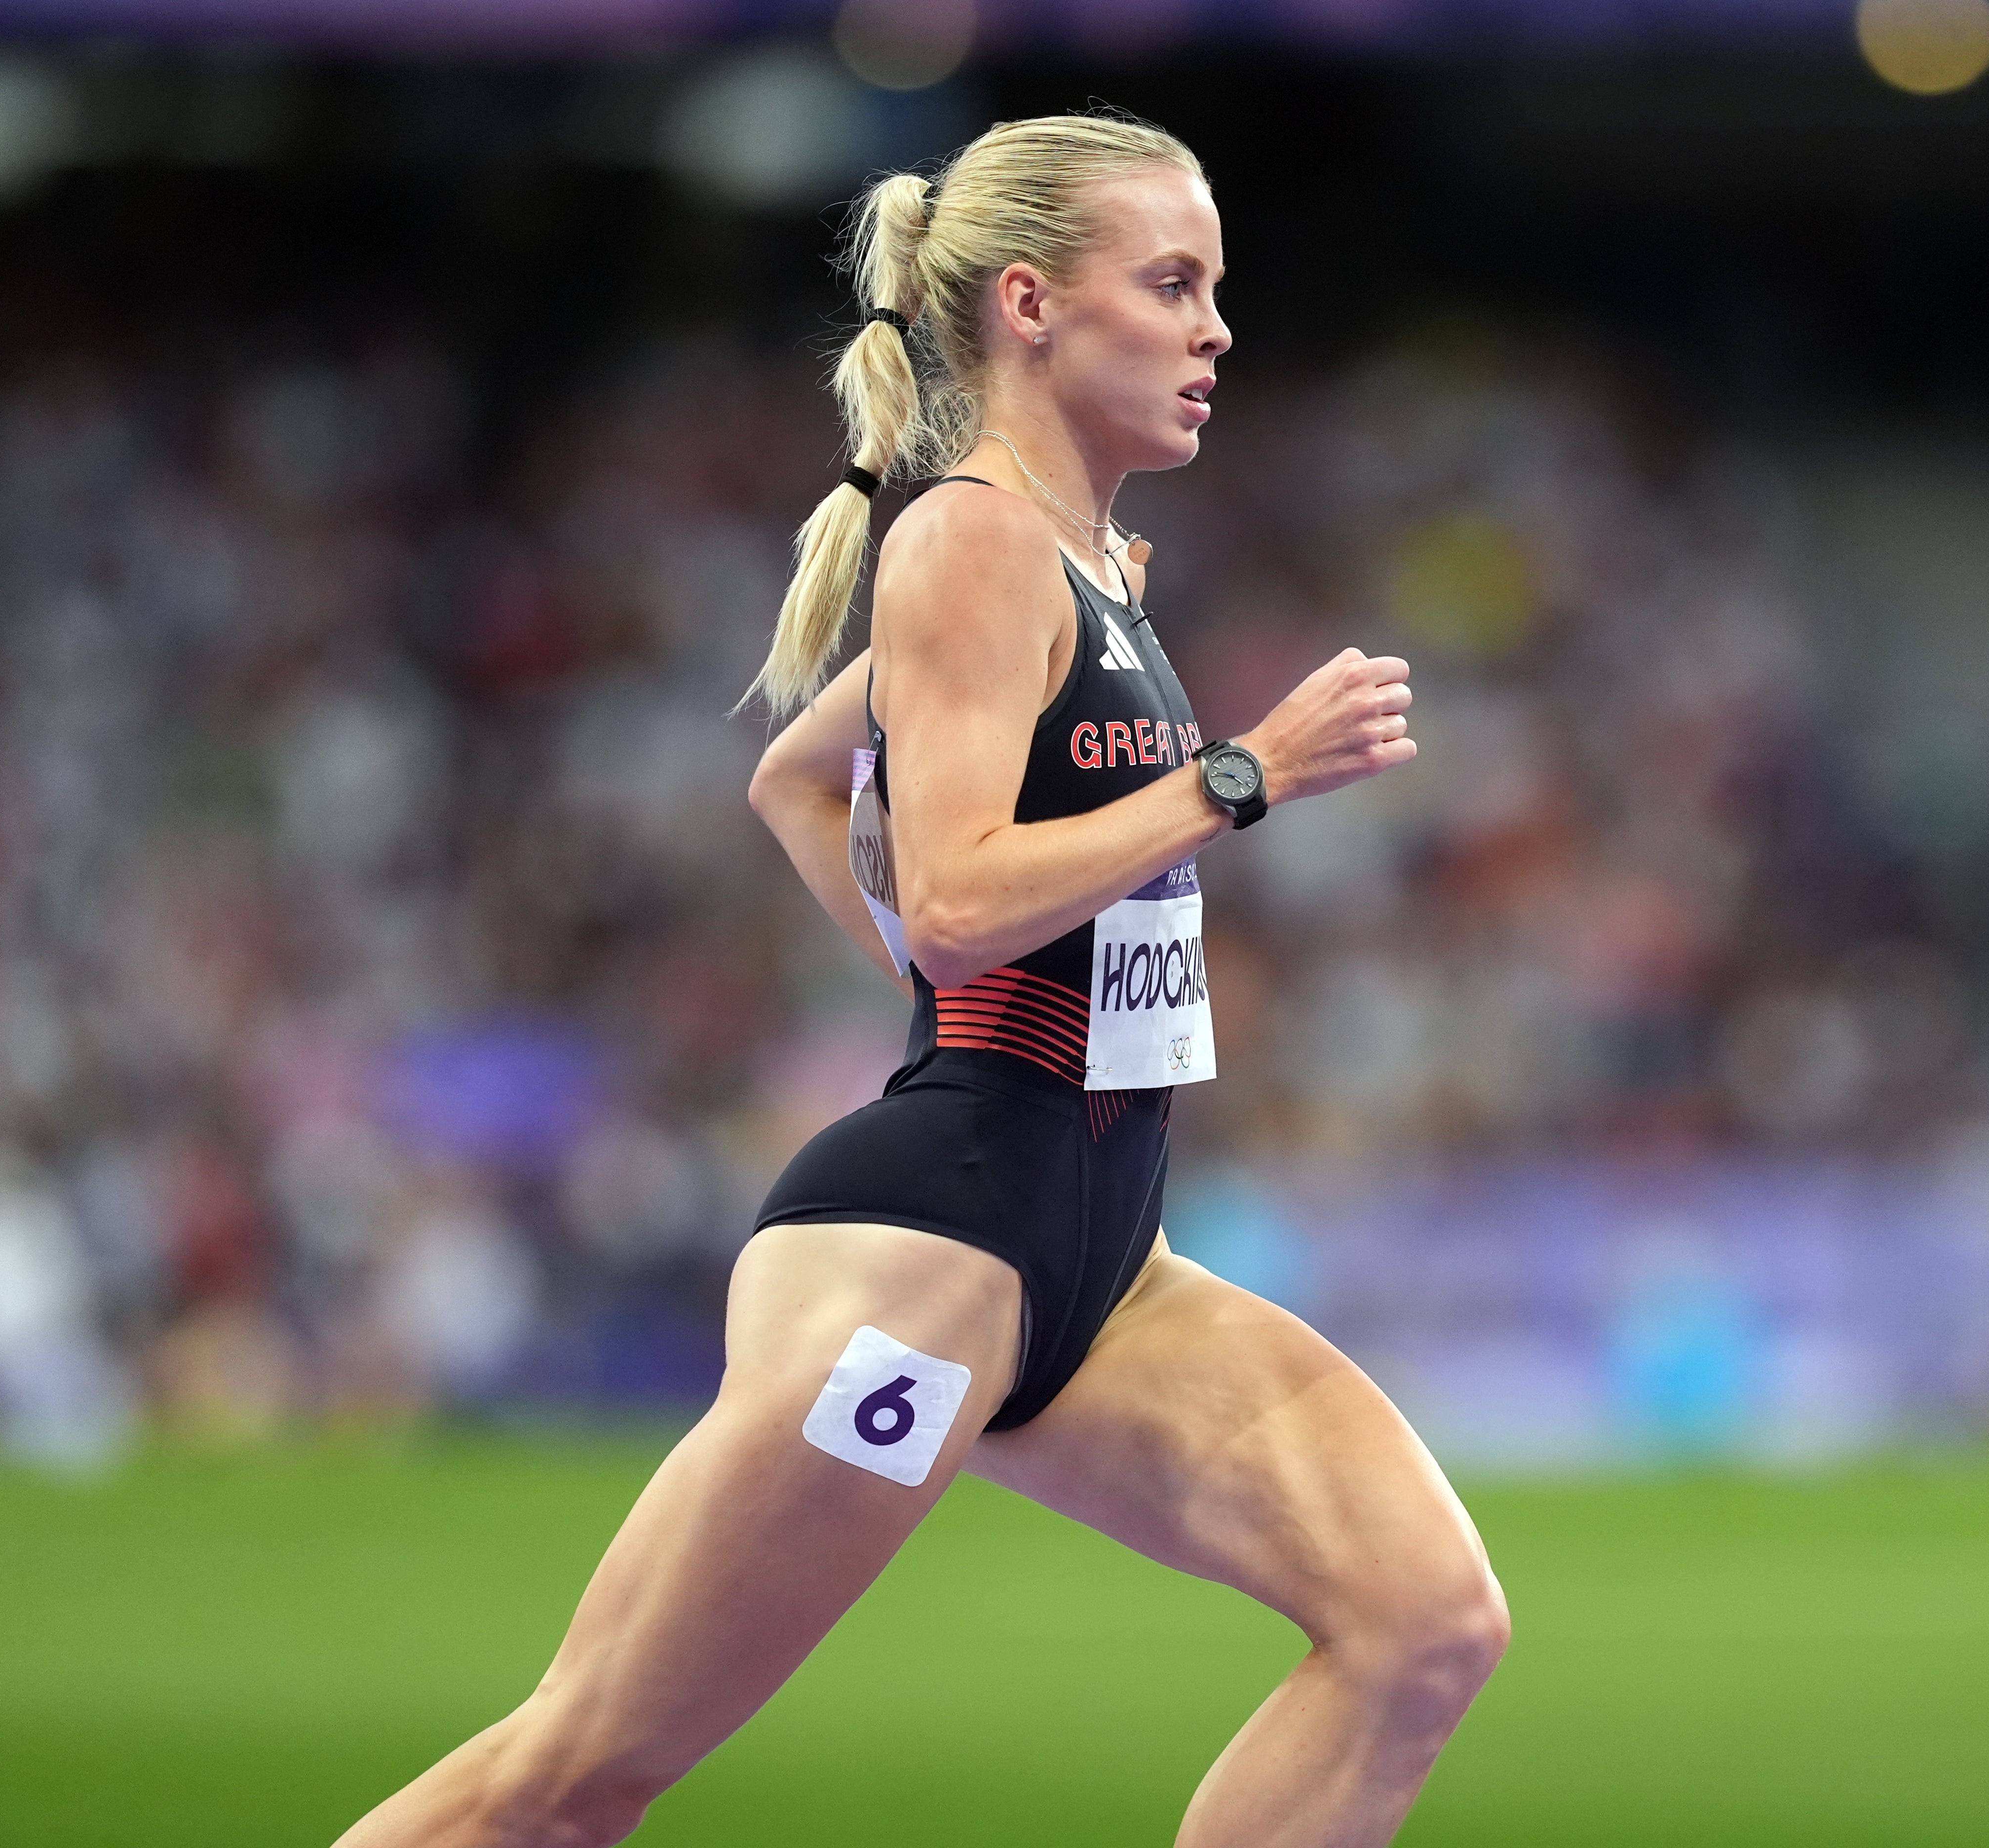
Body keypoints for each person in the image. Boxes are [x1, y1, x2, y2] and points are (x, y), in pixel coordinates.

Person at [336, 113, 1506, 1848]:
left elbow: (803, 780)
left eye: (1219, 289)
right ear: (1031, 305)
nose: (1217, 332)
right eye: (1174, 285)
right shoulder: (968, 543)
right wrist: (1241, 773)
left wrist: (971, 984)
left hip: (1104, 1264)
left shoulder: (1083, 560)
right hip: (928, 1257)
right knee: (574, 1778)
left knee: (1424, 1626)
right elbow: (956, 902)